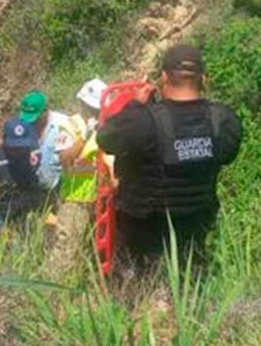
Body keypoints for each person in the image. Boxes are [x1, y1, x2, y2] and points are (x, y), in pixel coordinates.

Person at [97, 45, 242, 273]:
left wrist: (136, 105)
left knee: (136, 290)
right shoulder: (223, 120)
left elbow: (105, 139)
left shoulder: (144, 120)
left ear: (164, 77)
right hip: (194, 234)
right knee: (189, 286)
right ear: (203, 79)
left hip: (143, 239)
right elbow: (227, 155)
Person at [48, 79, 108, 271]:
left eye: (97, 109)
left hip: (100, 199)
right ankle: (54, 284)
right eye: (92, 108)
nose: (95, 112)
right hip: (76, 199)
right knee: (66, 250)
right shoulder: (70, 126)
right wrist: (85, 136)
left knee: (89, 250)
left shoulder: (104, 125)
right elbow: (66, 160)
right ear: (82, 103)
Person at [19, 90, 69, 192]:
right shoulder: (24, 126)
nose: (32, 123)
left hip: (61, 189)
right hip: (36, 189)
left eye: (35, 119)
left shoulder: (64, 126)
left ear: (45, 112)